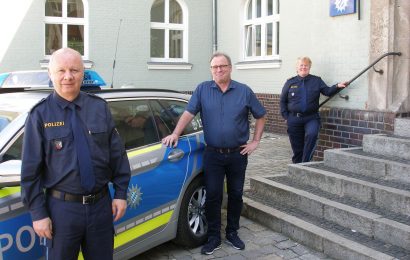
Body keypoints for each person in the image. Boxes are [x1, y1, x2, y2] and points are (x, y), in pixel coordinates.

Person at [21, 48, 131, 260]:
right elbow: (30, 171)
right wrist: (38, 213)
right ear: (50, 74)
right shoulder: (39, 115)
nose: (68, 76)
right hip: (61, 211)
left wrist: (120, 194)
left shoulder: (99, 108)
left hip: (101, 206)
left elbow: (117, 155)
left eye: (74, 70)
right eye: (61, 70)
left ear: (83, 73)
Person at [162, 52, 266, 255]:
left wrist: (255, 141)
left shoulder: (244, 91)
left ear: (230, 68)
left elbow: (261, 115)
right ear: (211, 70)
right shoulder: (202, 90)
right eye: (214, 67)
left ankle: (233, 232)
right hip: (213, 155)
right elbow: (188, 113)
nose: (218, 70)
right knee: (213, 197)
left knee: (235, 195)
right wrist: (175, 133)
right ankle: (213, 237)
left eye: (222, 66)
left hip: (238, 154)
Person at [280, 56, 348, 163]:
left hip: (311, 117)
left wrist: (337, 86)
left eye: (306, 65)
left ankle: (305, 163)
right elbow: (282, 101)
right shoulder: (290, 82)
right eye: (301, 65)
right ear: (297, 68)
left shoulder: (316, 80)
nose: (303, 67)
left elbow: (327, 91)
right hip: (294, 118)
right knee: (297, 146)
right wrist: (286, 117)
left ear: (309, 67)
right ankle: (297, 166)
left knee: (312, 134)